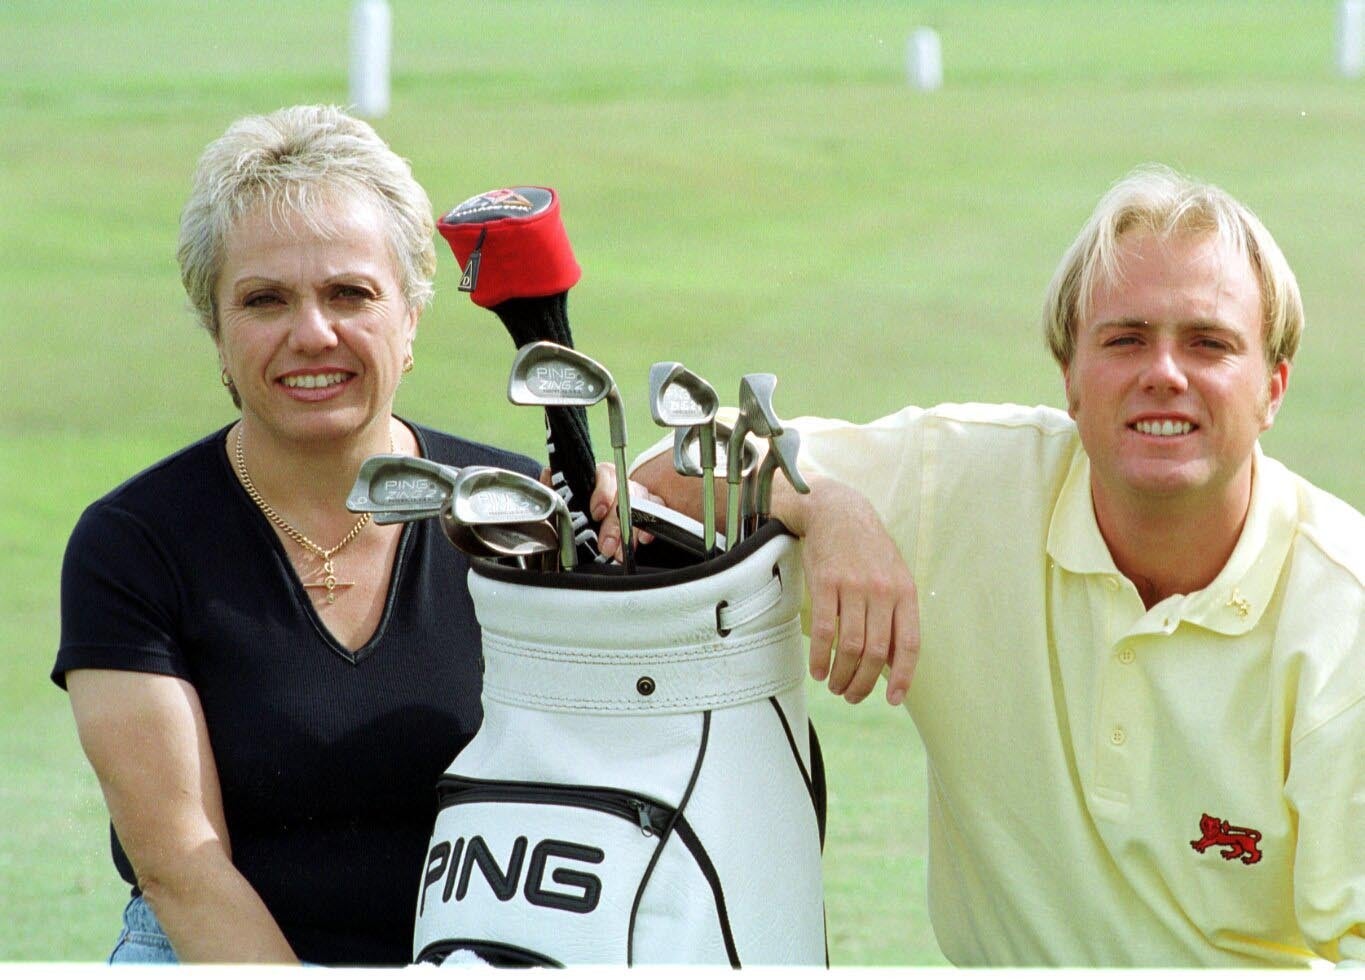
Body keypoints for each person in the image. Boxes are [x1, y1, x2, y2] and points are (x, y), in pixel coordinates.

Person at [614, 164, 1364, 966]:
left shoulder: (1343, 615)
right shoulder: (962, 482)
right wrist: (826, 507)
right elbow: (666, 471)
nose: (1163, 373)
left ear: (1272, 388)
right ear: (1069, 378)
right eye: (1124, 339)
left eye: (1208, 343)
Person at [52, 105, 546, 965]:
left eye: (350, 293)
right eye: (264, 300)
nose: (310, 333)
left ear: (412, 313)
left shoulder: (523, 511)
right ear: (217, 330)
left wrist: (825, 509)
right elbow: (180, 866)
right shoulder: (132, 542)